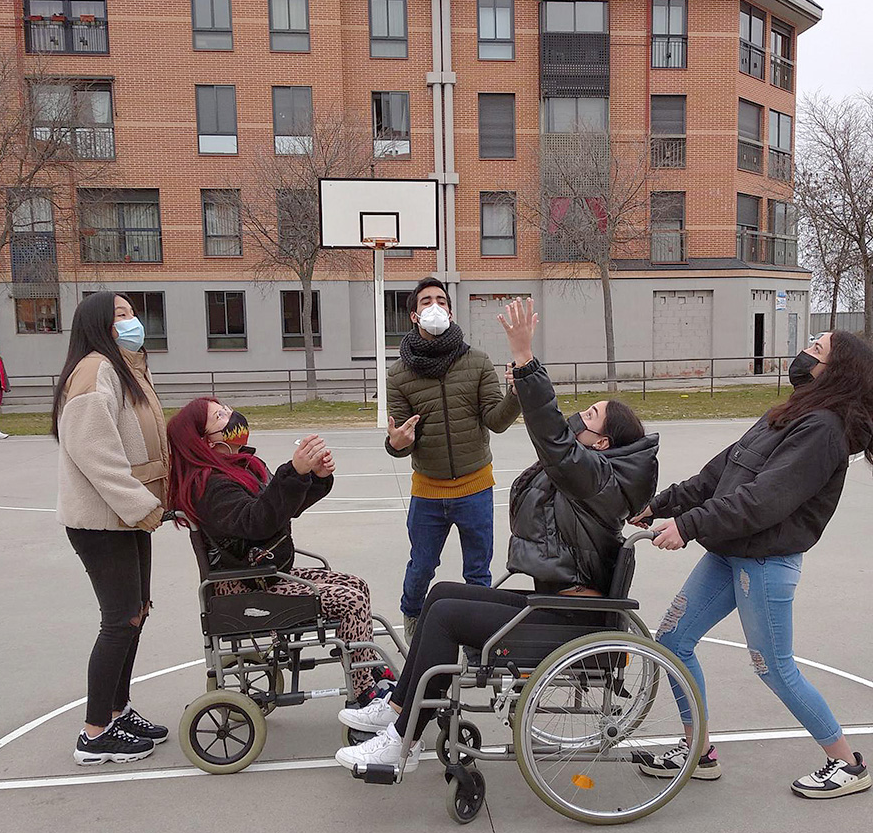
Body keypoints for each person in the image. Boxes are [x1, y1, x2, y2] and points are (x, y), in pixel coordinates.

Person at [335, 297, 659, 774]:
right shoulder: (600, 474)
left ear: (603, 443)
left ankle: (400, 741)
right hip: (556, 605)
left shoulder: (594, 475)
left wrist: (525, 360)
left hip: (569, 620)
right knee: (440, 594)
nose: (578, 417)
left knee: (446, 618)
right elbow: (557, 448)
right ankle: (401, 707)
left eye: (589, 416)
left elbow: (552, 440)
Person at [630, 331, 873, 800]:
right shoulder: (789, 413)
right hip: (731, 549)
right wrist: (662, 505)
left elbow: (764, 500)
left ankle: (847, 763)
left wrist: (687, 527)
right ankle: (698, 753)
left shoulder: (823, 431)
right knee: (672, 641)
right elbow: (720, 473)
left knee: (773, 667)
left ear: (835, 370)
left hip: (766, 561)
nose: (805, 348)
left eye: (818, 345)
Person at [165, 398, 390, 705]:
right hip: (244, 585)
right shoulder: (209, 485)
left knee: (357, 585)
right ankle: (363, 693)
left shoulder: (241, 467)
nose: (231, 416)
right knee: (350, 602)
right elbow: (257, 521)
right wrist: (294, 472)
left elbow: (279, 509)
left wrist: (314, 479)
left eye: (227, 408)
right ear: (206, 441)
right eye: (220, 416)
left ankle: (365, 667)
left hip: (264, 575)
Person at [53, 291, 169, 765]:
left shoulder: (125, 369)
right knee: (119, 620)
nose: (132, 320)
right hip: (104, 521)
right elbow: (95, 452)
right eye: (120, 314)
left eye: (132, 312)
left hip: (129, 516)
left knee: (136, 612)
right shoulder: (94, 370)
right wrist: (142, 504)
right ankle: (95, 732)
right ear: (98, 324)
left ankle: (118, 711)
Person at [386, 276, 522, 642]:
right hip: (427, 493)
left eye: (441, 300)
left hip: (475, 488)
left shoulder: (476, 361)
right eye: (426, 301)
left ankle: (479, 642)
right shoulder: (398, 374)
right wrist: (396, 442)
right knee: (421, 567)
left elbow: (496, 420)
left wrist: (515, 395)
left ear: (450, 309)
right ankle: (413, 622)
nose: (435, 306)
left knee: (477, 573)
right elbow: (400, 441)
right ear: (414, 316)